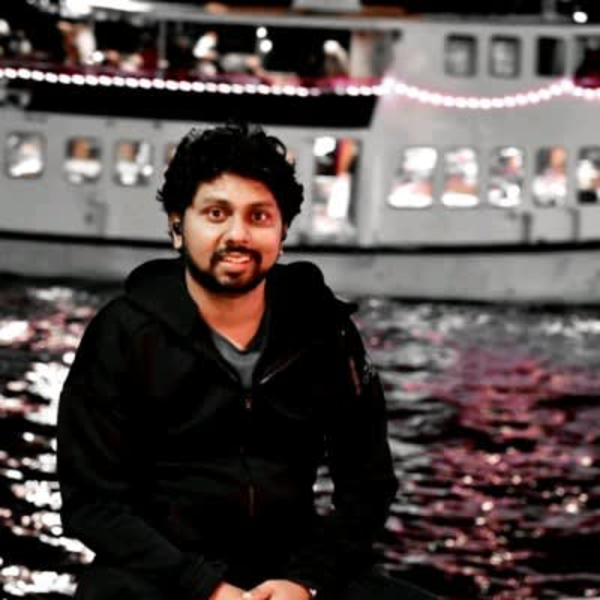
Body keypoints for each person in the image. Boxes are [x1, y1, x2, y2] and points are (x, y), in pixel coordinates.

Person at [57, 121, 438, 600]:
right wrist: (207, 587)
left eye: (259, 216)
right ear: (177, 227)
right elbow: (91, 503)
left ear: (282, 232)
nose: (237, 234)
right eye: (216, 213)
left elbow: (368, 485)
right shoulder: (124, 333)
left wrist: (306, 581)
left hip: (291, 571)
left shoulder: (325, 331)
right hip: (159, 574)